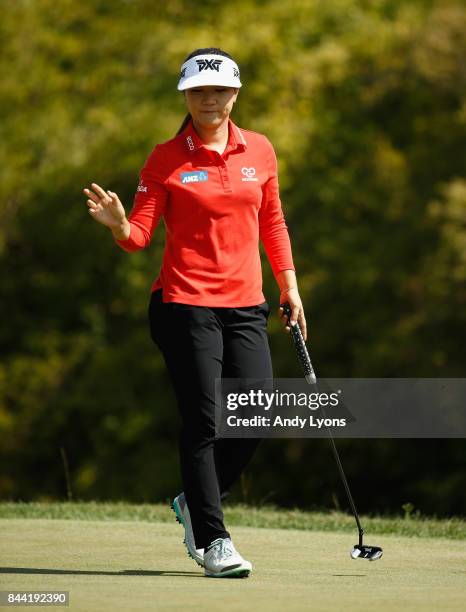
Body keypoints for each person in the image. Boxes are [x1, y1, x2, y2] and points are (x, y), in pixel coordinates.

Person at [83, 47, 307, 578]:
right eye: (199, 91)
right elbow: (138, 237)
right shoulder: (165, 158)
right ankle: (214, 540)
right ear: (186, 95)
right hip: (184, 305)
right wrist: (118, 224)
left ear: (235, 94)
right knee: (205, 420)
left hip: (247, 305)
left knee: (259, 412)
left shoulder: (261, 151)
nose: (210, 99)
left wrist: (290, 286)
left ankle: (191, 502)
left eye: (220, 90)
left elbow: (272, 223)